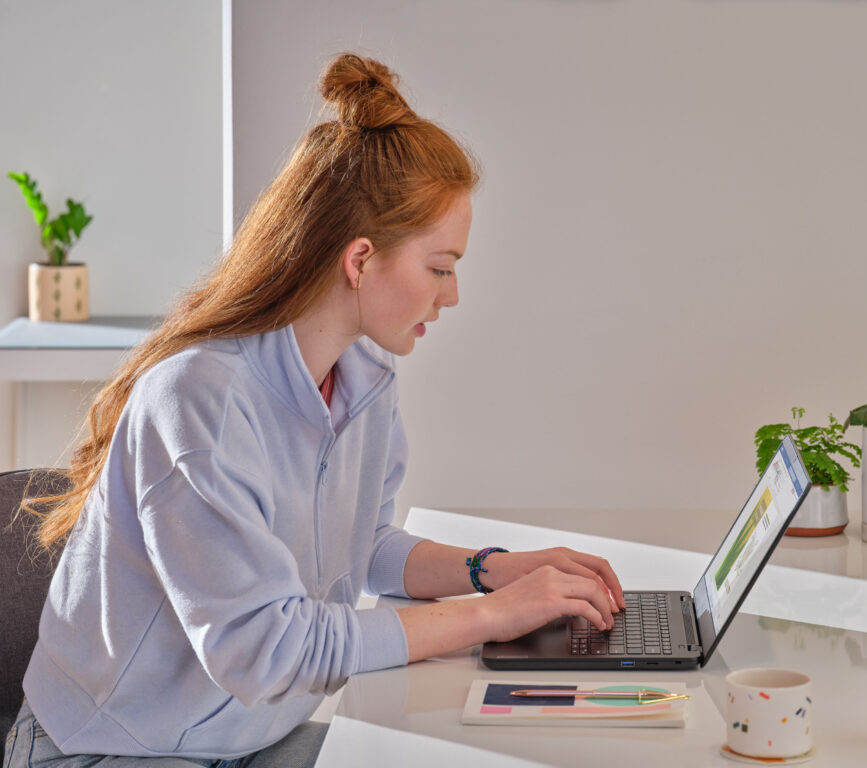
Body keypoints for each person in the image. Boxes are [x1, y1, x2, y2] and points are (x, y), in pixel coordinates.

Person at [4, 53, 625, 768]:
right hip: (109, 752)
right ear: (360, 260)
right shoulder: (200, 402)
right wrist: (492, 617)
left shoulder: (364, 378)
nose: (451, 295)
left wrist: (493, 571)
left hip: (239, 740)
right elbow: (267, 651)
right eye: (440, 267)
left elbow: (359, 548)